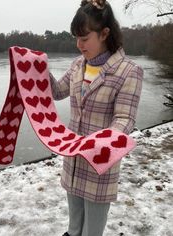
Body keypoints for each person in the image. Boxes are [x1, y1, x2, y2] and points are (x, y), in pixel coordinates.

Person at [49, 0, 143, 235]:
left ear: (104, 33)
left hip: (100, 163)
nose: (78, 45)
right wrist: (36, 70)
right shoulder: (78, 65)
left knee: (92, 229)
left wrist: (98, 143)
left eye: (84, 38)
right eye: (76, 38)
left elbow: (125, 119)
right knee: (74, 225)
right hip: (73, 159)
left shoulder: (128, 71)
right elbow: (57, 91)